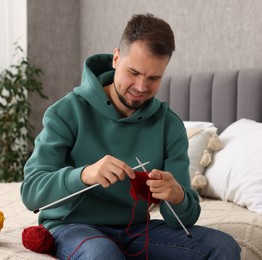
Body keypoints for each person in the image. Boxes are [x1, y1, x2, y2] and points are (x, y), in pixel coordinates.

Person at [21, 13, 240, 259]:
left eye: (154, 78)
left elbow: (185, 218)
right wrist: (85, 175)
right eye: (133, 72)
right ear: (116, 58)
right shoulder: (66, 112)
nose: (141, 87)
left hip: (136, 229)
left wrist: (177, 195)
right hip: (73, 227)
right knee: (102, 254)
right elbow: (31, 192)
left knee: (222, 246)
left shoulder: (169, 125)